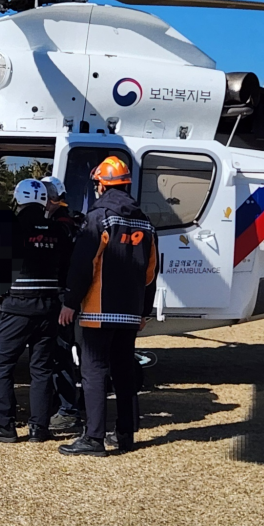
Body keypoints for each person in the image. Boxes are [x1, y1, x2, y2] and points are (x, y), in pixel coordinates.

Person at [58, 157, 157, 456]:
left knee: (94, 372)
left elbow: (84, 264)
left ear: (102, 185)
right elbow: (151, 271)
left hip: (99, 311)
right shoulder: (145, 222)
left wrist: (70, 302)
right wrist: (144, 311)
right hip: (130, 311)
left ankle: (94, 438)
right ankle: (125, 433)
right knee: (124, 372)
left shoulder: (99, 217)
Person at [0, 178, 67, 444]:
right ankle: (39, 428)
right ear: (44, 201)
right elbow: (66, 267)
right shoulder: (58, 230)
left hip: (17, 306)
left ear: (18, 199)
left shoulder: (9, 228)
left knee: (1, 363)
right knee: (41, 368)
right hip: (50, 306)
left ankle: (4, 424)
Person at [41, 176, 83, 433]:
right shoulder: (72, 222)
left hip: (61, 299)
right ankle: (62, 404)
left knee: (60, 354)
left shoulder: (62, 226)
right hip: (66, 297)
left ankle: (67, 410)